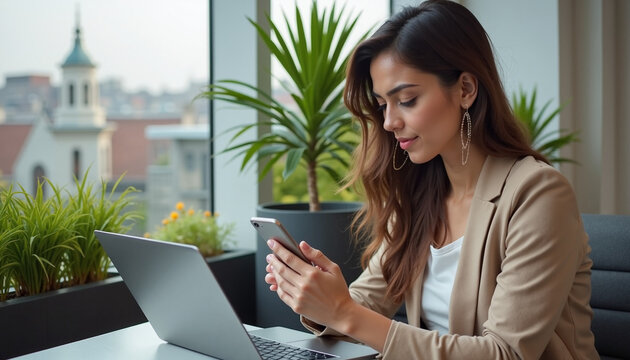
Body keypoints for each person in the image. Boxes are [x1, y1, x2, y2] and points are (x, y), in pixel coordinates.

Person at [263, 0, 599, 358]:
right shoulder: (419, 194)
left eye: (406, 99)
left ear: (466, 89)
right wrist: (319, 299)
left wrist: (345, 313)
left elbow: (506, 353)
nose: (389, 121)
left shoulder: (538, 195)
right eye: (381, 105)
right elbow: (367, 301)